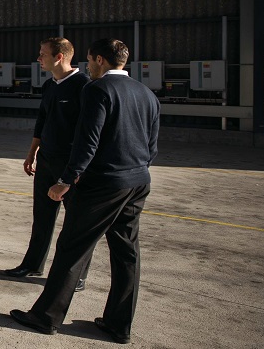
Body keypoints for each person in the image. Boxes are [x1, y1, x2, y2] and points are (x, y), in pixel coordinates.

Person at [10, 39, 160, 344]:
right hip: (138, 181)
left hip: (105, 184)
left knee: (71, 248)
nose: (87, 67)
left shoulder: (97, 90)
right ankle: (119, 325)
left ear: (101, 61)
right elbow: (152, 145)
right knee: (127, 255)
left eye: (90, 61)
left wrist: (66, 178)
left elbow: (86, 142)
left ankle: (45, 316)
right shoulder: (146, 93)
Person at [2, 38, 91, 293]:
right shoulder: (49, 86)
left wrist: (78, 168)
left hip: (70, 164)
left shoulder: (83, 86)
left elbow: (89, 131)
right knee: (41, 217)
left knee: (76, 223)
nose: (38, 58)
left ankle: (78, 275)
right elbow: (41, 121)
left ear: (59, 57)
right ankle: (33, 264)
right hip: (46, 160)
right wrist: (31, 153)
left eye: (43, 54)